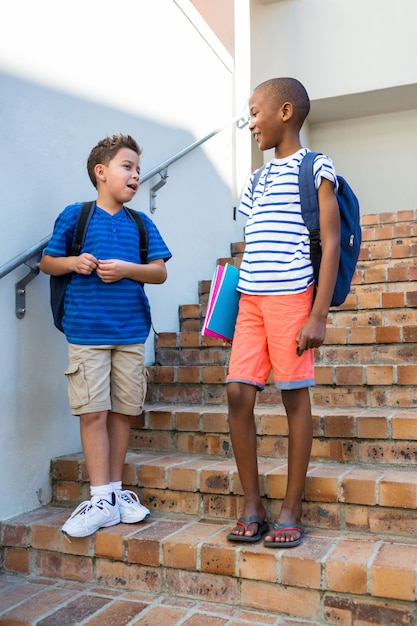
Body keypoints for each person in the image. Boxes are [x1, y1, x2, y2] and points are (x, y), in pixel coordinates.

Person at [226, 78, 340, 547]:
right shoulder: (256, 179)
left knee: (294, 396)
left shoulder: (316, 167)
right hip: (250, 301)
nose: (251, 122)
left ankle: (291, 509)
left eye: (256, 112)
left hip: (293, 299)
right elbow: (251, 245)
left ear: (286, 111)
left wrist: (318, 315)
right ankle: (253, 503)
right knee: (237, 393)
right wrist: (230, 294)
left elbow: (330, 243)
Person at [40, 134, 172, 538]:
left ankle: (114, 495)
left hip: (130, 333)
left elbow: (160, 271)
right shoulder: (75, 216)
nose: (135, 175)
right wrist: (74, 262)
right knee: (93, 412)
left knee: (122, 412)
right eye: (127, 167)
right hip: (86, 332)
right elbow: (46, 262)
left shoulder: (141, 223)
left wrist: (128, 269)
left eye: (137, 168)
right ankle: (99, 497)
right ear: (101, 172)